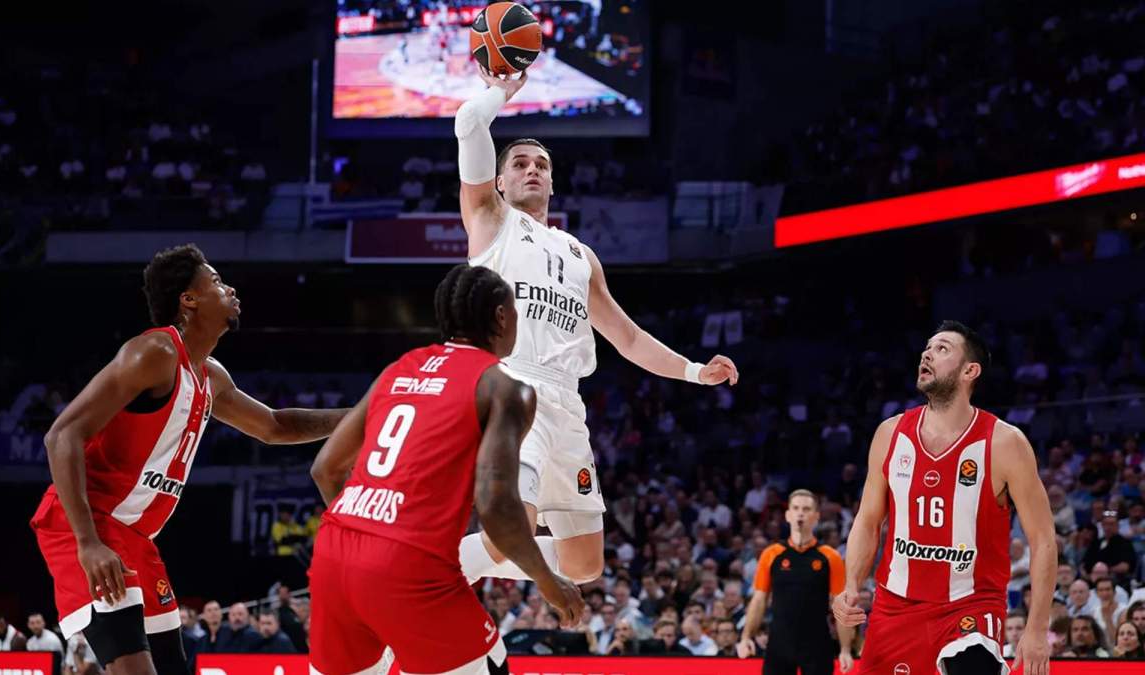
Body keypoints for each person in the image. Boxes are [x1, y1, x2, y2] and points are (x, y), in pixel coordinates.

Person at [453, 63, 738, 588]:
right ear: (499, 181)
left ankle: (450, 565)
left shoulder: (580, 254)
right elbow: (469, 123)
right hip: (513, 387)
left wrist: (697, 372)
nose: (532, 169)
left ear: (554, 182)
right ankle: (428, 571)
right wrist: (500, 91)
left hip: (568, 402)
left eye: (541, 164)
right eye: (519, 163)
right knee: (506, 533)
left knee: (585, 565)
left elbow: (628, 338)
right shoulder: (491, 222)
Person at [30, 244, 350, 675]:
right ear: (189, 299)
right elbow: (61, 435)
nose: (230, 288)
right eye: (217, 281)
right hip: (88, 525)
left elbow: (275, 426)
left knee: (172, 669)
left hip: (136, 537)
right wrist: (88, 543)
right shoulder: (154, 353)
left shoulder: (210, 375)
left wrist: (362, 417)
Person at [307, 264, 584, 675]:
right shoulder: (505, 387)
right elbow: (496, 505)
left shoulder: (399, 369)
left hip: (334, 553)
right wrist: (547, 581)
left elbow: (325, 468)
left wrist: (368, 529)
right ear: (502, 317)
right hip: (408, 566)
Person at [833, 321, 1057, 675]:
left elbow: (1043, 539)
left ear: (970, 371)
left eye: (942, 348)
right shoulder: (890, 434)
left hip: (970, 606)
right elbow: (868, 519)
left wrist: (1036, 629)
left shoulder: (1004, 443)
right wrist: (850, 587)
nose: (927, 353)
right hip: (895, 608)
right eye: (927, 347)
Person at [738, 489, 853, 675]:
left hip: (817, 643)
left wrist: (846, 649)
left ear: (816, 516)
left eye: (806, 509)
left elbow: (840, 605)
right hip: (779, 643)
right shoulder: (771, 554)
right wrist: (746, 637)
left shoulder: (830, 557)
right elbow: (759, 600)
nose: (801, 513)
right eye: (796, 508)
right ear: (788, 515)